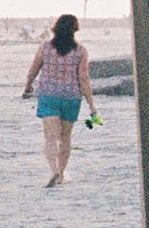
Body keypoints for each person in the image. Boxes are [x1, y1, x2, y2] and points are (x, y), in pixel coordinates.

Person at [21, 14, 96, 187]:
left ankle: (54, 170)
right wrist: (91, 104)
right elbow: (83, 78)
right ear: (75, 30)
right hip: (71, 97)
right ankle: (61, 174)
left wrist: (28, 85)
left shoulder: (45, 47)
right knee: (65, 137)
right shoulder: (81, 51)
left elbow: (34, 69)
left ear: (55, 28)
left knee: (50, 137)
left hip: (48, 95)